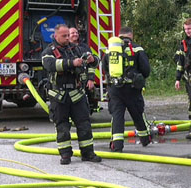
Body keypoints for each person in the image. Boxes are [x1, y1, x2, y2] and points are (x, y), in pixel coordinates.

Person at [41, 24, 102, 165]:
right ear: (56, 36)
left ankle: (88, 153)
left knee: (84, 124)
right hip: (58, 95)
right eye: (64, 36)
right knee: (62, 126)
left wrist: (93, 60)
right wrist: (71, 63)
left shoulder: (77, 49)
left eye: (68, 35)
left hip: (77, 94)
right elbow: (50, 65)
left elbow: (95, 61)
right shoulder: (48, 51)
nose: (68, 38)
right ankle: (66, 155)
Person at [102, 27, 152, 152]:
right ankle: (145, 139)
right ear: (131, 35)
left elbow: (104, 67)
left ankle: (117, 145)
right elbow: (146, 70)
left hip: (115, 88)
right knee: (137, 113)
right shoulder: (136, 48)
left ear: (119, 35)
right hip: (132, 89)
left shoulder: (111, 50)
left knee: (117, 115)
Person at [69, 27, 98, 112]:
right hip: (70, 80)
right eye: (73, 33)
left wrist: (91, 79)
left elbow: (91, 65)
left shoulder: (84, 47)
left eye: (76, 33)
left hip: (83, 80)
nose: (75, 34)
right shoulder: (65, 48)